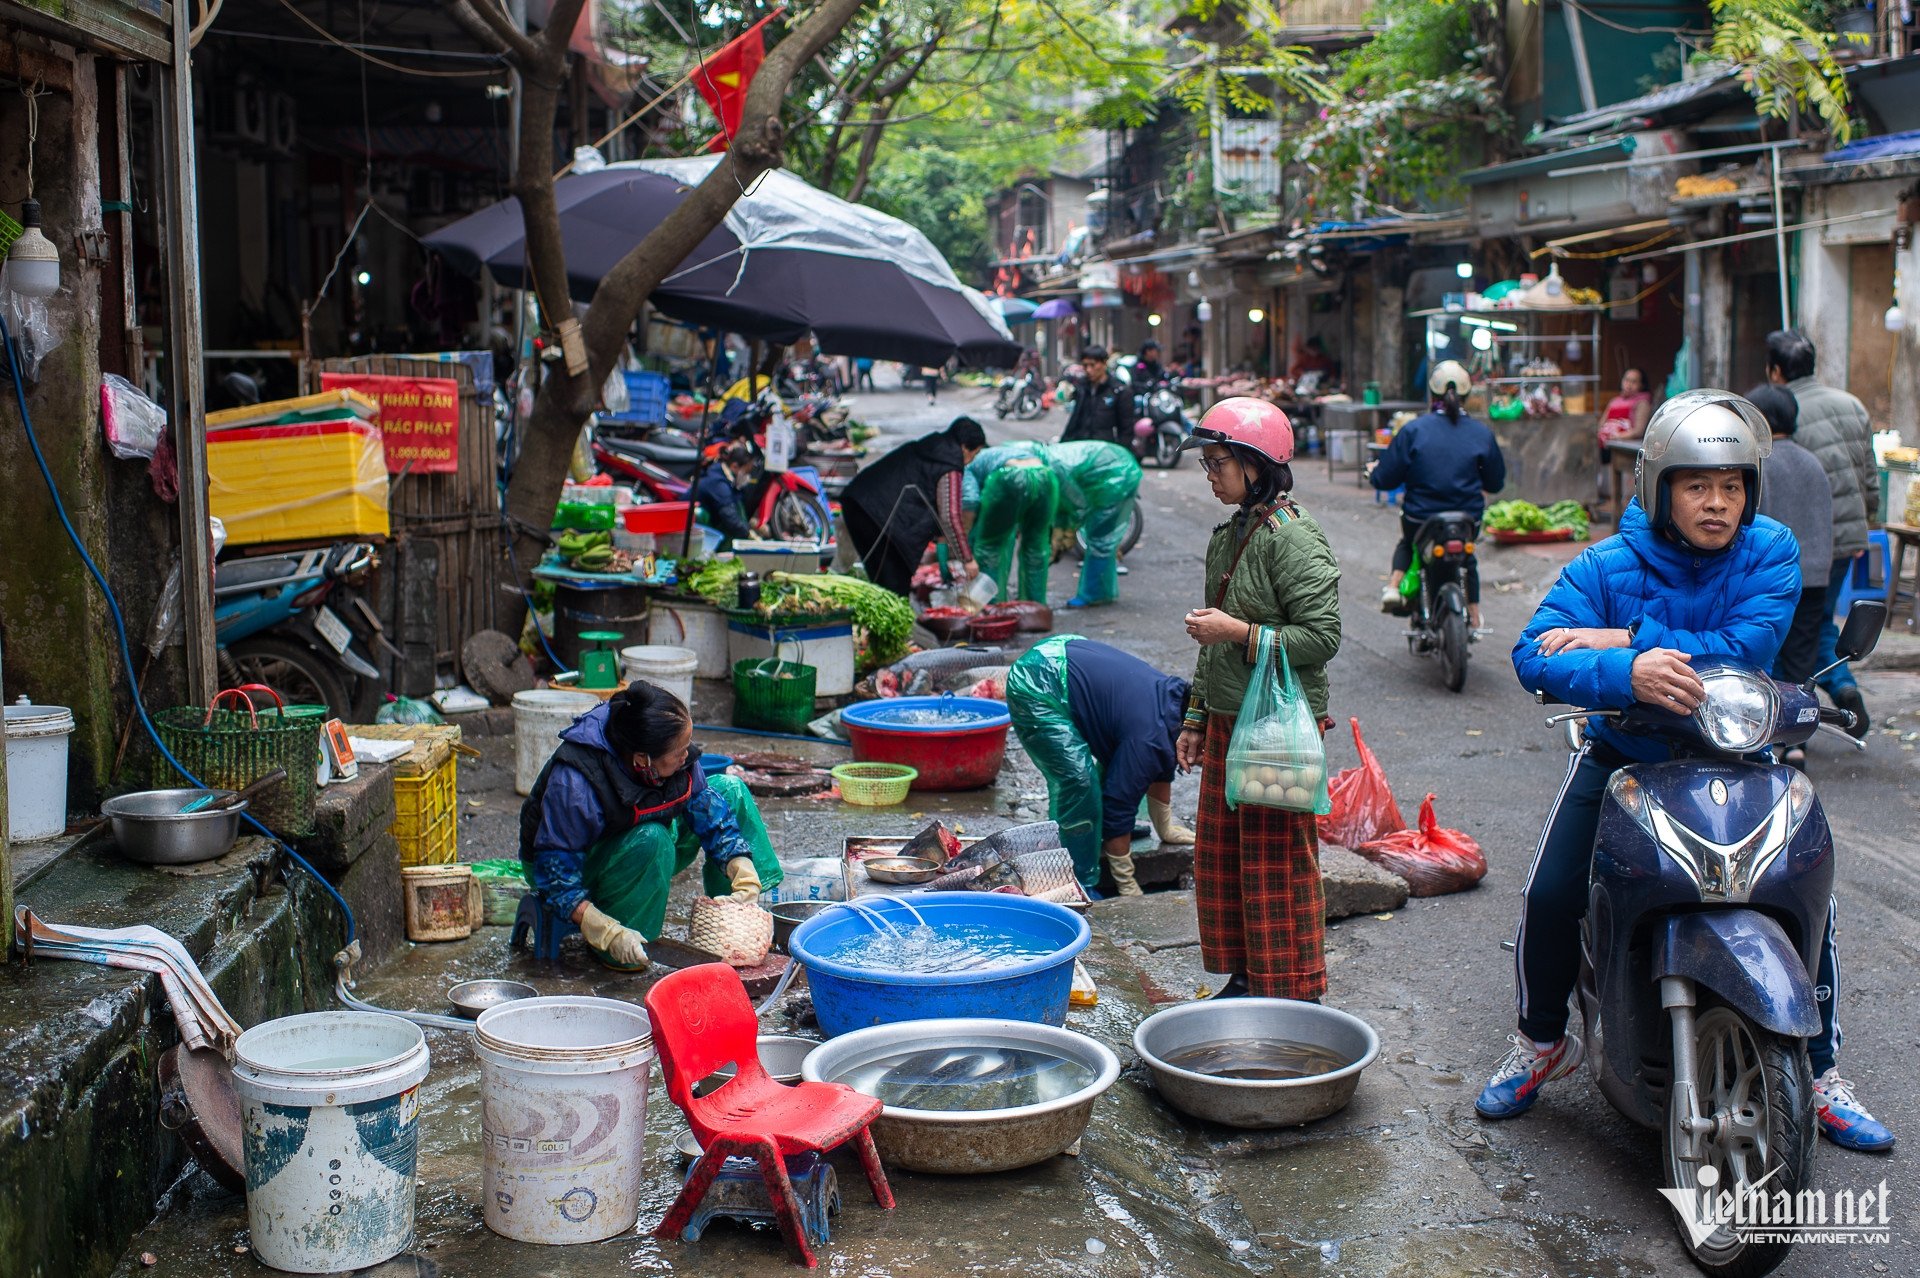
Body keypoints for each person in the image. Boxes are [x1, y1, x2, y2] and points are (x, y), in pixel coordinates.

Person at [1481, 390, 1892, 1153]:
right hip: (1624, 756)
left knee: (1805, 895)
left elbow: (1748, 648)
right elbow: (1533, 652)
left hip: (1740, 755)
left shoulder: (1769, 550)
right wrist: (1628, 676)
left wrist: (1623, 638)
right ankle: (1543, 1043)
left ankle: (1823, 1070)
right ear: (1659, 487)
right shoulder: (1607, 562)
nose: (1717, 504)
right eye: (1697, 485)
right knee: (1552, 889)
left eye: (1732, 486)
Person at [1175, 398, 1342, 1000]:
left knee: (1277, 865)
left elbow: (1322, 638)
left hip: (1277, 726)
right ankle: (1247, 979)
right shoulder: (1231, 535)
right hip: (1226, 719)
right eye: (1208, 463)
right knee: (1225, 862)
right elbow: (1209, 637)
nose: (1211, 474)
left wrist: (1240, 634)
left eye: (1219, 462)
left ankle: (1297, 990)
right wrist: (1196, 717)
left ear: (1256, 465)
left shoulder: (1293, 538)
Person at [520, 683, 783, 970]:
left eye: (686, 746)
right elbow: (555, 872)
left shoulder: (667, 747)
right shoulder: (575, 782)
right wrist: (603, 930)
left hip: (642, 841)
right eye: (679, 752)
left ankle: (736, 921)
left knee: (729, 789)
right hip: (572, 869)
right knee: (652, 838)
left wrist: (739, 862)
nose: (687, 756)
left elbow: (705, 806)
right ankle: (623, 944)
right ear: (641, 760)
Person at [1007, 637, 1196, 896]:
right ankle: (1075, 877)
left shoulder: (1174, 709)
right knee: (1079, 783)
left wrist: (1165, 827)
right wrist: (1126, 881)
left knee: (1125, 771)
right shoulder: (1149, 740)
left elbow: (1161, 766)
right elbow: (1119, 805)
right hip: (1038, 680)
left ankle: (1096, 835)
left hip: (1071, 656)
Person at [1768, 329, 1877, 738]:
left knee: (1798, 629)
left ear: (1775, 370)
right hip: (1848, 535)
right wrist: (1870, 522)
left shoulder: (1787, 414)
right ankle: (1842, 688)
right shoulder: (1851, 404)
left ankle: (1793, 718)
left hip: (1807, 544)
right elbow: (1870, 474)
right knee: (1819, 623)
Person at [1368, 360, 1506, 630]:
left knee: (1408, 543)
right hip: (1467, 520)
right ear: (1467, 395)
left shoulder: (1413, 431)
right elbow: (1496, 482)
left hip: (1420, 519)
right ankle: (1474, 614)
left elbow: (1385, 479)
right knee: (1468, 557)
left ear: (1432, 394)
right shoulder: (1482, 434)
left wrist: (1374, 473)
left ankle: (1393, 587)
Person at [1749, 383, 1834, 769]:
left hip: (1773, 573)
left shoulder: (1761, 463)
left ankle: (1770, 736)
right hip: (1815, 573)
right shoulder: (1812, 461)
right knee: (1801, 657)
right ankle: (1796, 742)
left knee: (1770, 654)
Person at [841, 416, 986, 596]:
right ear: (965, 447)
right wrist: (968, 560)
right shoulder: (950, 464)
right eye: (975, 453)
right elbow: (950, 516)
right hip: (876, 516)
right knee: (894, 585)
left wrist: (942, 539)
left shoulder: (930, 448)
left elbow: (936, 504)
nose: (971, 460)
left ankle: (882, 620)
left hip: (859, 504)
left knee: (884, 581)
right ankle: (891, 622)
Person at [961, 439, 1060, 604]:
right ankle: (1034, 607)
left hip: (1009, 478)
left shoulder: (969, 465)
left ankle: (989, 609)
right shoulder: (1002, 453)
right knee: (1036, 548)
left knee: (990, 549)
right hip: (1046, 476)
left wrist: (964, 535)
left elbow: (970, 501)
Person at [1049, 439, 1143, 607]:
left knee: (1100, 540)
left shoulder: (1054, 468)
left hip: (1117, 476)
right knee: (1101, 540)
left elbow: (1076, 504)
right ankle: (1103, 592)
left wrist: (1068, 528)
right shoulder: (1050, 463)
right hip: (1115, 469)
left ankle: (1093, 594)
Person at [693, 442, 763, 548]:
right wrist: (749, 535)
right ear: (734, 466)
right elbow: (729, 515)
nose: (748, 476)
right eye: (746, 472)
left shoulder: (726, 478)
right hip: (697, 527)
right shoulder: (718, 483)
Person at [1060, 346, 1129, 446]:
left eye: (1092, 365)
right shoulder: (1082, 387)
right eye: (1085, 365)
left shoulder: (1119, 390)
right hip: (1082, 446)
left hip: (1106, 448)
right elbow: (1075, 420)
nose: (1088, 370)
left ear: (1104, 363)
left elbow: (1126, 428)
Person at [1595, 366, 1653, 454]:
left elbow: (1638, 431)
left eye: (1634, 382)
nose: (1629, 385)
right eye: (1627, 380)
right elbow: (1601, 425)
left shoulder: (1642, 403)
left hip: (1624, 447)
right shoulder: (1614, 401)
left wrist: (1616, 436)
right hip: (1606, 443)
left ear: (1641, 385)